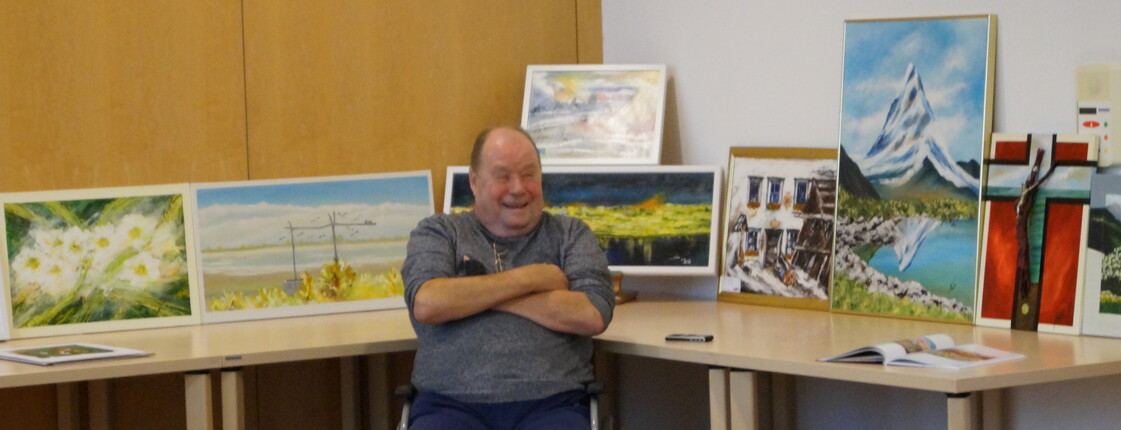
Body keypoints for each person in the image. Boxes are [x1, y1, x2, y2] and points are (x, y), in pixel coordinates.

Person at [401, 126, 616, 430]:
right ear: (474, 182)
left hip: (553, 404)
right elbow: (428, 303)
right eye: (503, 177)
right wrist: (533, 278)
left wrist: (471, 294)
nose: (518, 188)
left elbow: (592, 314)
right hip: (448, 405)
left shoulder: (570, 235)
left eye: (529, 174)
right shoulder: (439, 232)